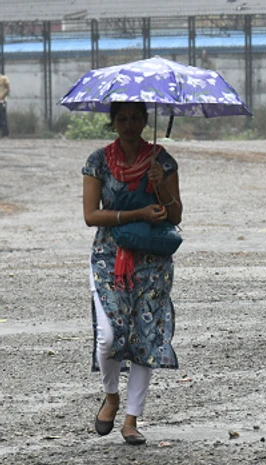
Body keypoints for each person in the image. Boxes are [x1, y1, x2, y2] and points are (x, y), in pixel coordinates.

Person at [82, 102, 182, 445]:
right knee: (108, 337)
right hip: (109, 256)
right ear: (113, 122)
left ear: (145, 120)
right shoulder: (97, 161)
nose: (129, 124)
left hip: (151, 260)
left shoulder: (162, 160)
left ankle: (131, 419)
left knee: (144, 336)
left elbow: (176, 214)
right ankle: (111, 395)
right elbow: (91, 216)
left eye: (136, 117)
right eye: (122, 118)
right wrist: (136, 213)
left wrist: (162, 186)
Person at [0, 73, 9, 138]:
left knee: (3, 117)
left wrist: (2, 96)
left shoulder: (4, 78)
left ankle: (5, 134)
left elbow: (8, 89)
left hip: (2, 101)